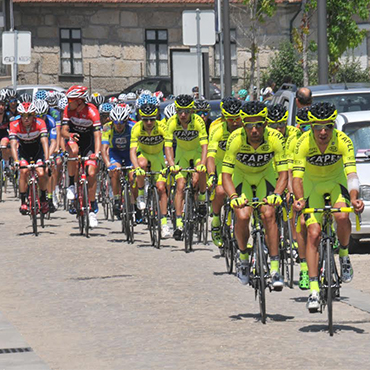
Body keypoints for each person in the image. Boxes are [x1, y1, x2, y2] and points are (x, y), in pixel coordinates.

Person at [293, 102, 364, 312]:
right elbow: (297, 177)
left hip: (335, 183)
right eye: (318, 127)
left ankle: (343, 255)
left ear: (334, 126)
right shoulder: (302, 143)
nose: (323, 132)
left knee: (342, 217)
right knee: (313, 233)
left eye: (328, 127)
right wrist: (299, 199)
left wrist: (354, 198)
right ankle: (314, 291)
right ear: (311, 126)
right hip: (311, 186)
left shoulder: (343, 140)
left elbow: (351, 173)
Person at [222, 101, 288, 289]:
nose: (254, 130)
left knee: (268, 215)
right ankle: (243, 257)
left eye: (258, 124)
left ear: (265, 124)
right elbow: (226, 175)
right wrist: (234, 196)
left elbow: (284, 173)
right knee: (242, 216)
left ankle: (275, 268)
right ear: (243, 125)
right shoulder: (235, 139)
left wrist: (277, 194)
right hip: (242, 178)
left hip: (264, 177)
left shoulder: (275, 138)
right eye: (249, 125)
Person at [165, 94, 208, 240]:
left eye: (186, 111)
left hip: (196, 152)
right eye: (180, 111)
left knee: (198, 176)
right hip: (181, 154)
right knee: (180, 186)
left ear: (192, 111)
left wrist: (202, 164)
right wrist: (171, 164)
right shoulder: (172, 122)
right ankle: (178, 223)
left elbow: (204, 146)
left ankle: (201, 197)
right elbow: (168, 146)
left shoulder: (198, 122)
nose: (183, 115)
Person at [61, 85, 101, 228]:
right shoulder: (67, 110)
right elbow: (63, 131)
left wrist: (96, 153)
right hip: (74, 140)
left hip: (89, 143)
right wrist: (70, 135)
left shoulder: (92, 111)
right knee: (73, 149)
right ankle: (71, 183)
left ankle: (92, 209)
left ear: (79, 101)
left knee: (91, 172)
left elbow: (97, 135)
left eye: (70, 100)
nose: (67, 102)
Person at [207, 97, 243, 253]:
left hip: (240, 167)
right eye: (230, 119)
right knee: (221, 191)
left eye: (237, 118)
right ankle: (215, 222)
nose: (234, 122)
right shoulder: (217, 129)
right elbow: (210, 155)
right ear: (224, 117)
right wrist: (211, 175)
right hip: (222, 166)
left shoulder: (245, 129)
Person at [130, 102, 171, 238]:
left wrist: (169, 163)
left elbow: (168, 147)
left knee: (161, 188)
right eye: (145, 119)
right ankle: (141, 193)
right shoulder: (136, 128)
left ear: (157, 117)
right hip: (144, 154)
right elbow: (132, 151)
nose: (148, 122)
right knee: (141, 164)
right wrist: (136, 168)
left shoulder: (162, 127)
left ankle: (164, 223)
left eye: (152, 119)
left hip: (158, 157)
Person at [285, 107, 312, 290]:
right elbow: (290, 169)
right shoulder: (295, 140)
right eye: (304, 126)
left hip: (324, 181)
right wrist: (289, 190)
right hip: (301, 180)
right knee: (301, 220)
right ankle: (303, 265)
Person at [9, 102, 50, 214]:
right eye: (23, 116)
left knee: (41, 173)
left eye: (29, 116)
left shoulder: (40, 123)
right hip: (24, 152)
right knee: (23, 171)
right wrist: (16, 160)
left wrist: (47, 159)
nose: (26, 119)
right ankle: (23, 201)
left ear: (34, 115)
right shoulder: (14, 125)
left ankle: (43, 198)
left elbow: (45, 142)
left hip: (38, 151)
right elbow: (13, 144)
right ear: (20, 116)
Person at [102, 104, 135, 217]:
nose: (119, 125)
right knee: (115, 171)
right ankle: (116, 199)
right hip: (115, 152)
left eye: (122, 123)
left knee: (132, 177)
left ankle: (134, 203)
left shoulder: (132, 126)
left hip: (130, 152)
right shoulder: (107, 127)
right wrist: (108, 164)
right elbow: (104, 148)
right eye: (116, 123)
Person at [34, 99, 59, 213]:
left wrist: (48, 156)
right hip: (34, 147)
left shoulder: (51, 121)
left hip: (47, 147)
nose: (40, 119)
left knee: (49, 170)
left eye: (43, 116)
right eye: (37, 116)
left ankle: (49, 196)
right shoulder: (31, 122)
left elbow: (53, 141)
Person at [0, 91, 11, 175]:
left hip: (4, 133)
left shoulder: (8, 115)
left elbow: (13, 129)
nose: (1, 107)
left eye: (3, 105)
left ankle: (7, 165)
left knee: (4, 146)